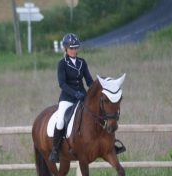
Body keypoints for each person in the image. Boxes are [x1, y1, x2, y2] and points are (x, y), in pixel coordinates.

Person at [49, 33, 126, 162]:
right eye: (71, 48)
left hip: (83, 97)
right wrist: (75, 93)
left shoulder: (82, 62)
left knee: (100, 115)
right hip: (67, 99)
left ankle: (111, 145)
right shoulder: (62, 64)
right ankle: (55, 150)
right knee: (61, 120)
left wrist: (99, 90)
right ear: (65, 49)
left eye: (76, 48)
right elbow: (62, 84)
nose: (74, 50)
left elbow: (89, 81)